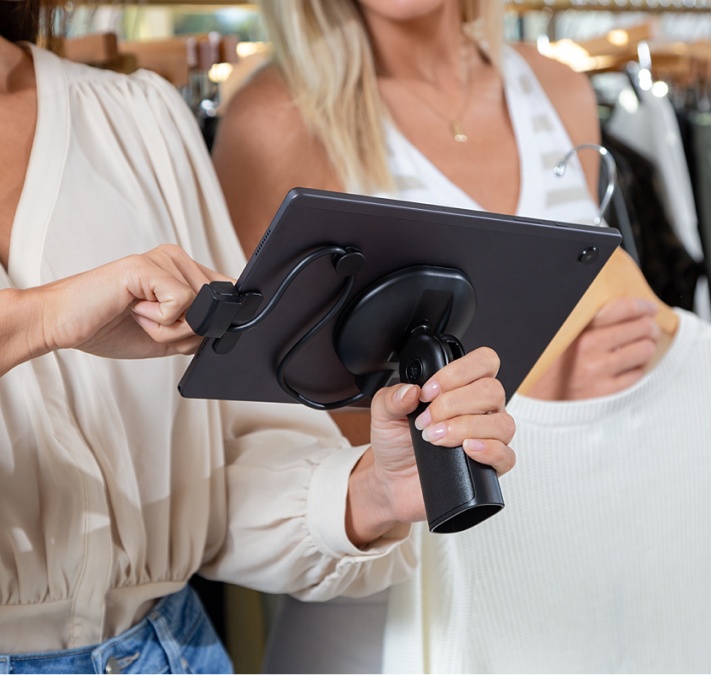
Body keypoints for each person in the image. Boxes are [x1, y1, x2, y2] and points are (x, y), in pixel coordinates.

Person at [0, 1, 516, 673]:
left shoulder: (135, 119)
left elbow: (226, 455)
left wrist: (368, 494)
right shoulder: (271, 116)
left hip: (170, 651)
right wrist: (38, 318)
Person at [212, 0, 711, 672]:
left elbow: (598, 298)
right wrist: (541, 385)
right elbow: (266, 423)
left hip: (560, 572)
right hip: (394, 598)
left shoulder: (555, 89)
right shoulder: (274, 119)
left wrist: (638, 341)